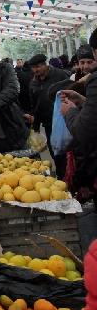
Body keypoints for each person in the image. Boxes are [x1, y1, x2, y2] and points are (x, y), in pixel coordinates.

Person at [60, 29, 97, 204]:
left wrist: (71, 112)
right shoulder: (78, 80)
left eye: (90, 60)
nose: (86, 66)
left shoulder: (94, 80)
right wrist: (83, 101)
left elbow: (84, 131)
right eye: (82, 62)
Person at [25, 54, 70, 153]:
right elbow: (35, 105)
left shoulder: (60, 75)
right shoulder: (33, 83)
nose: (35, 70)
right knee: (54, 150)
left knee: (67, 150)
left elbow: (71, 93)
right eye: (33, 68)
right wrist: (35, 126)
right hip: (48, 124)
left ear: (45, 64)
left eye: (38, 66)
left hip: (64, 120)